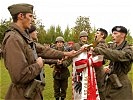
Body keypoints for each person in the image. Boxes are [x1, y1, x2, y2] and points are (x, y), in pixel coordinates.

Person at [2, 3, 80, 100]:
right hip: (21, 95)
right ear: (21, 16)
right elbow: (19, 76)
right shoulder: (13, 39)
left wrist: (65, 53)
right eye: (30, 16)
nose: (33, 19)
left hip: (31, 92)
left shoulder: (23, 37)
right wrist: (38, 65)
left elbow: (43, 50)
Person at [93, 26, 133, 100]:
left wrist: (97, 49)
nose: (112, 35)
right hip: (111, 81)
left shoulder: (128, 49)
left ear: (123, 35)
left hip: (121, 84)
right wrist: (109, 68)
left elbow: (117, 55)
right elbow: (111, 58)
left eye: (115, 33)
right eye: (112, 33)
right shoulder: (114, 46)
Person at [72, 30, 89, 99]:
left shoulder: (89, 45)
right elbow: (73, 54)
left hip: (86, 66)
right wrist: (81, 50)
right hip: (77, 68)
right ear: (80, 38)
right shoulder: (76, 45)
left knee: (86, 83)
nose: (85, 38)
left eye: (86, 37)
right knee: (78, 83)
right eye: (83, 36)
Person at [93, 28, 108, 100]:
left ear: (102, 35)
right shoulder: (97, 44)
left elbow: (99, 58)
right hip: (96, 70)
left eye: (97, 33)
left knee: (100, 90)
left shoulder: (102, 45)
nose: (95, 34)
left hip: (98, 70)